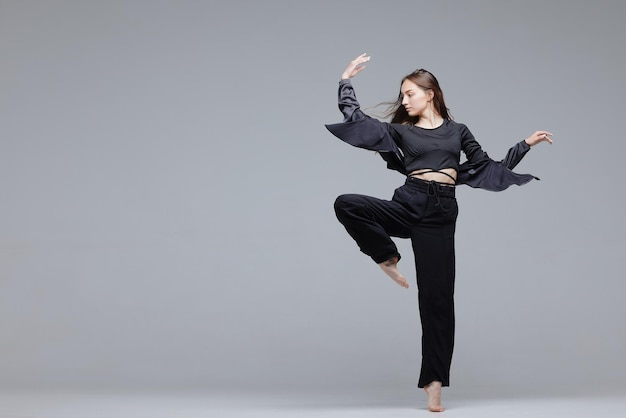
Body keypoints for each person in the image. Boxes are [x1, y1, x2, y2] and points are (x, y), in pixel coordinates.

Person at [326, 53, 552, 412]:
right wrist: (345, 82)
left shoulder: (458, 131)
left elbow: (486, 167)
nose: (404, 101)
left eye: (409, 94)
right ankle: (386, 256)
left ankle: (434, 383)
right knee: (346, 203)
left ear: (430, 93)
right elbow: (359, 121)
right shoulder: (401, 130)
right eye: (401, 95)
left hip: (440, 215)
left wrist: (524, 146)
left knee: (437, 302)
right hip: (408, 202)